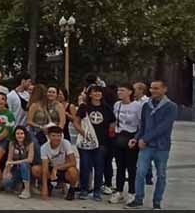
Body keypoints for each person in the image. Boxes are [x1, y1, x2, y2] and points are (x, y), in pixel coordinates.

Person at [126, 80, 178, 210]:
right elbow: (143, 126)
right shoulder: (146, 106)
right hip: (146, 146)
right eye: (151, 88)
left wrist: (145, 139)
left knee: (161, 175)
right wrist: (136, 138)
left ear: (164, 89)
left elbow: (164, 127)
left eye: (156, 88)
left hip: (161, 147)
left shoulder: (171, 106)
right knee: (140, 172)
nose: (153, 91)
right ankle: (138, 199)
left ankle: (157, 202)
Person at [73, 84, 115, 201]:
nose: (97, 94)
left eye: (99, 92)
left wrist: (111, 133)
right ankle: (84, 189)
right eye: (95, 92)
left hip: (101, 142)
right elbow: (76, 122)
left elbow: (112, 123)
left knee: (99, 167)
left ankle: (97, 191)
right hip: (86, 142)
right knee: (85, 166)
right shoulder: (84, 107)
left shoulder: (107, 108)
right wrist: (83, 133)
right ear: (90, 94)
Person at [111, 83, 142, 205]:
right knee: (120, 167)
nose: (119, 92)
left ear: (130, 92)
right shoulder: (117, 105)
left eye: (122, 90)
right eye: (118, 90)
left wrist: (136, 138)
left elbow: (141, 124)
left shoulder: (137, 106)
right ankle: (119, 191)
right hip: (119, 137)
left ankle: (132, 192)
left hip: (131, 137)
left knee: (131, 167)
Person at [37, 125, 78, 201]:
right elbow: (45, 168)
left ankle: (72, 189)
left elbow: (73, 162)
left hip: (64, 168)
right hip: (51, 169)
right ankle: (49, 185)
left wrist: (56, 168)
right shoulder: (44, 147)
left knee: (73, 171)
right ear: (48, 136)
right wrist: (44, 188)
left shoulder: (66, 143)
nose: (56, 138)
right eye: (53, 136)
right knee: (36, 169)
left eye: (59, 136)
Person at [3, 126, 34, 199]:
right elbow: (9, 159)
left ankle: (27, 190)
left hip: (27, 168)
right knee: (6, 183)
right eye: (17, 134)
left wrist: (14, 163)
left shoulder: (30, 143)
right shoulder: (12, 143)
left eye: (21, 133)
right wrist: (7, 172)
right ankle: (18, 184)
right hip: (15, 168)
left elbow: (30, 159)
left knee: (24, 165)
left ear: (25, 134)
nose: (20, 135)